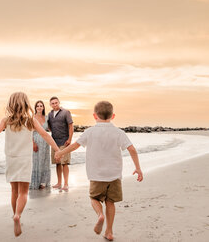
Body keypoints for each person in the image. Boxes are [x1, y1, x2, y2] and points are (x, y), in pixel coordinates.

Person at [55, 101, 143, 241]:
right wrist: (138, 168)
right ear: (113, 116)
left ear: (95, 116)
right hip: (114, 176)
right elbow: (132, 149)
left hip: (96, 175)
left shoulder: (90, 132)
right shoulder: (118, 132)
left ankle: (99, 215)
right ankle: (109, 231)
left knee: (94, 198)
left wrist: (60, 153)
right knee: (110, 202)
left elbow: (75, 146)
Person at [0, 92, 60, 237]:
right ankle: (18, 215)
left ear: (11, 104)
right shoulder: (30, 120)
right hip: (25, 159)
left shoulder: (6, 120)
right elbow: (45, 134)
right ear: (26, 104)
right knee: (24, 192)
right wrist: (57, 149)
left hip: (11, 158)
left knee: (14, 191)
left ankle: (15, 215)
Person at [47, 96, 73, 192]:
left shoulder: (66, 112)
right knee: (57, 162)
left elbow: (71, 126)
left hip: (64, 141)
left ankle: (66, 184)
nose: (54, 104)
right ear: (50, 105)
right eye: (52, 103)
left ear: (59, 103)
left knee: (64, 163)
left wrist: (70, 139)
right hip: (54, 142)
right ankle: (59, 183)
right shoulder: (49, 114)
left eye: (56, 103)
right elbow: (50, 127)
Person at [30, 100, 51, 190]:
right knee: (36, 161)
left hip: (45, 142)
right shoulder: (32, 118)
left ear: (43, 107)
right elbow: (29, 132)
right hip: (36, 141)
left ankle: (43, 182)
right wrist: (33, 143)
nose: (39, 107)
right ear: (35, 108)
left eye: (41, 106)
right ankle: (35, 181)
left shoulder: (46, 118)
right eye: (37, 106)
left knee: (45, 161)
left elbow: (50, 129)